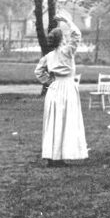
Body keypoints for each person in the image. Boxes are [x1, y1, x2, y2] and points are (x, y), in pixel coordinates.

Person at [34, 16, 89, 166]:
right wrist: (67, 20)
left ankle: (53, 157)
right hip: (67, 88)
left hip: (55, 88)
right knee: (66, 121)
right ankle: (60, 155)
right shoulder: (67, 51)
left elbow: (38, 71)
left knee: (54, 121)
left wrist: (49, 81)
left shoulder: (49, 56)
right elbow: (77, 35)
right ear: (62, 39)